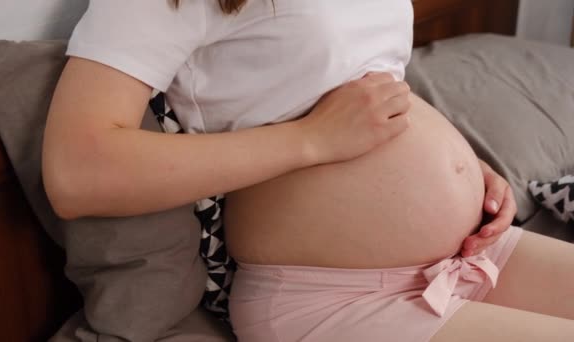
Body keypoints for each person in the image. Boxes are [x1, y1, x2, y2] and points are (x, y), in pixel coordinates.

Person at [42, 0, 574, 341]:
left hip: (468, 251)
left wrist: (463, 167)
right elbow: (78, 173)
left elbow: (365, 86)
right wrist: (312, 139)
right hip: (334, 299)